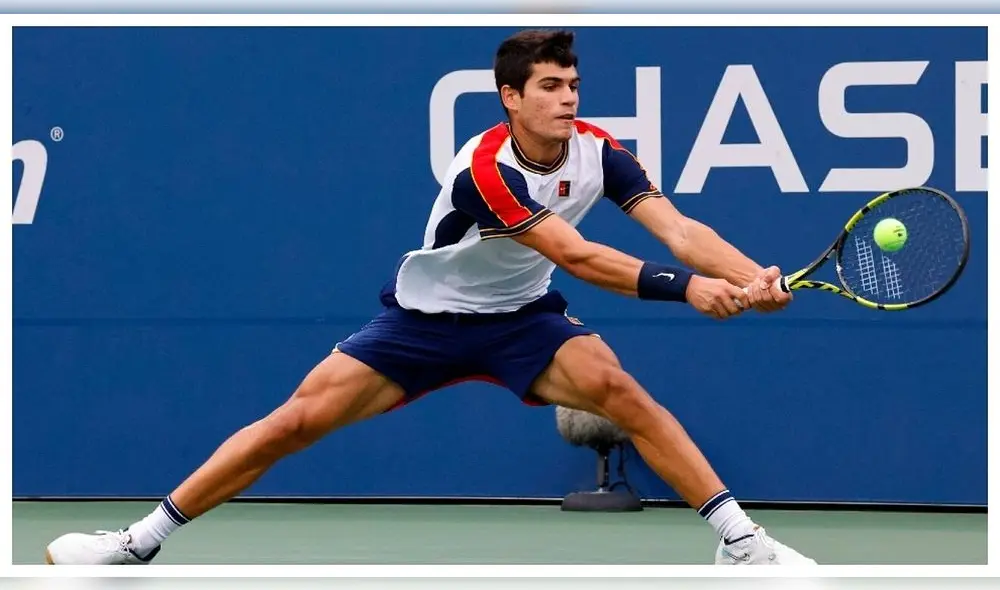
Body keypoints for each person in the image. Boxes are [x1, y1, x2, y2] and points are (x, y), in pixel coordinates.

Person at [45, 29, 816, 566]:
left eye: (573, 85)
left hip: (522, 322)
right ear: (510, 97)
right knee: (293, 424)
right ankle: (138, 540)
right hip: (424, 323)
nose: (566, 98)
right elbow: (577, 255)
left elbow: (678, 230)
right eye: (549, 87)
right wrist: (691, 292)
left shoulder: (600, 152)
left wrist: (752, 277)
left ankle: (740, 541)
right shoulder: (486, 171)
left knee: (622, 392)